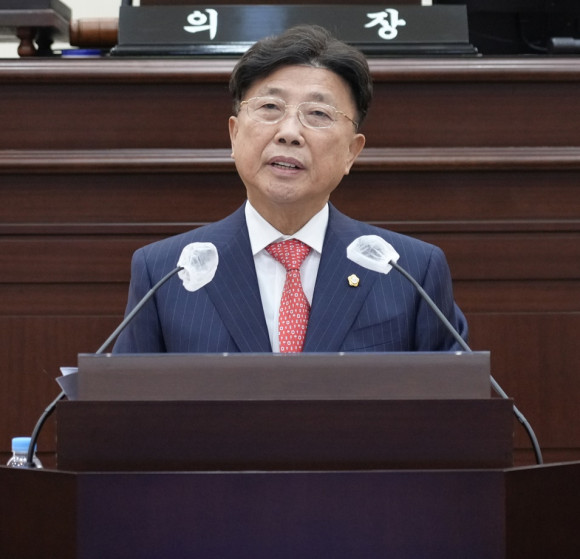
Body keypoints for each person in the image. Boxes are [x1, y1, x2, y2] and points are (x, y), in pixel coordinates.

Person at [113, 25, 467, 354]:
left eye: (318, 114)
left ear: (352, 151)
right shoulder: (166, 273)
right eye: (270, 107)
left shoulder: (409, 271)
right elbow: (126, 397)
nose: (289, 133)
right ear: (234, 135)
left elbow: (454, 395)